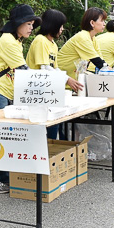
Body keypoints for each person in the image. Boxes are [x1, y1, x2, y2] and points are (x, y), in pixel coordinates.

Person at [0, 4, 40, 193]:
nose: (31, 27)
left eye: (32, 24)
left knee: (6, 136)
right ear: (18, 23)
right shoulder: (8, 41)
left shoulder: (16, 41)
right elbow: (24, 71)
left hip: (3, 93)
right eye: (28, 23)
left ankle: (5, 178)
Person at [26, 9, 83, 140]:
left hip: (49, 91)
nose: (62, 29)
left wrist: (67, 79)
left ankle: (54, 152)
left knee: (55, 124)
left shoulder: (52, 44)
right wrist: (66, 79)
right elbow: (44, 68)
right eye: (60, 26)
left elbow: (55, 68)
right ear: (53, 25)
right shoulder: (40, 40)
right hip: (37, 91)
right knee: (44, 127)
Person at [56, 7, 107, 82]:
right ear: (92, 23)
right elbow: (98, 62)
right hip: (61, 77)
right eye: (102, 21)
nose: (104, 24)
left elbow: (102, 62)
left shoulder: (93, 38)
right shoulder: (83, 37)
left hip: (71, 79)